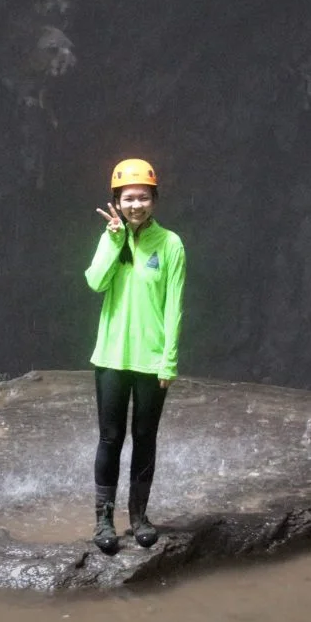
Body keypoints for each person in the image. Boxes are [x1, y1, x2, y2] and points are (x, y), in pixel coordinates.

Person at [83, 157, 186, 554]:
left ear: (154, 200)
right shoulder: (111, 238)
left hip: (151, 360)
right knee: (110, 438)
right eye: (128, 198)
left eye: (143, 197)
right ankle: (103, 521)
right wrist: (113, 241)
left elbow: (174, 306)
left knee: (145, 438)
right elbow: (95, 283)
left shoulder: (170, 244)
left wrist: (169, 361)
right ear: (117, 201)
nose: (135, 205)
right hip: (111, 357)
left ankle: (140, 517)